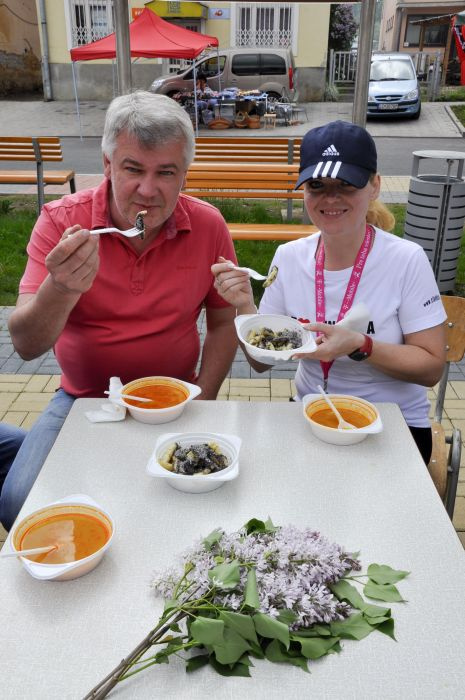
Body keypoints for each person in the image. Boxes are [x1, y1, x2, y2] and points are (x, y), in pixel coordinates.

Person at [2, 91, 238, 531]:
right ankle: (34, 447)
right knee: (19, 500)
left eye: (165, 172)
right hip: (81, 398)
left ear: (184, 174)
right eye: (133, 169)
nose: (148, 190)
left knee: (184, 508)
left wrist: (202, 399)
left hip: (177, 399)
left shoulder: (208, 225)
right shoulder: (61, 222)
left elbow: (224, 322)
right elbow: (26, 345)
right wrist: (61, 287)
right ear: (108, 165)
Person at [211, 120, 446, 465]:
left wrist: (360, 345)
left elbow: (431, 368)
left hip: (392, 424)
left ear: (375, 186)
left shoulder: (406, 259)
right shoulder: (289, 257)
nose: (330, 198)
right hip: (310, 415)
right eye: (317, 185)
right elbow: (260, 363)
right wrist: (245, 305)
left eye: (346, 184)